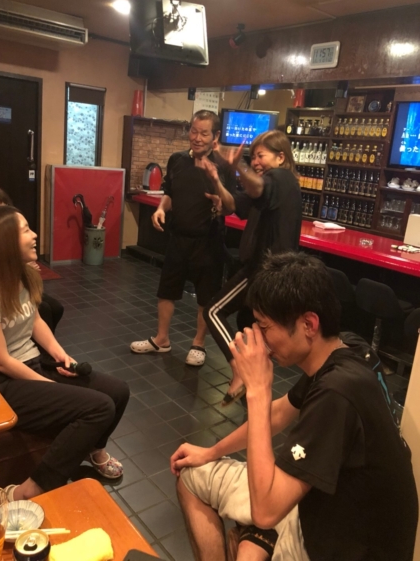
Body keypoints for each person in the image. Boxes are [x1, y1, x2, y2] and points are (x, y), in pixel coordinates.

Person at [170, 252, 418, 561]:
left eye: (264, 327)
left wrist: (257, 389)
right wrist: (210, 452)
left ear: (308, 324)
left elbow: (265, 512)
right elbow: (278, 413)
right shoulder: (347, 347)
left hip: (337, 547)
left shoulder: (337, 392)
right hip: (322, 509)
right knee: (192, 474)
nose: (260, 338)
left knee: (253, 525)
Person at [0, 206, 130, 500]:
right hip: (1, 382)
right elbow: (0, 360)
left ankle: (93, 449)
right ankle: (26, 491)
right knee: (99, 407)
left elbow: (35, 320)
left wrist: (61, 355)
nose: (35, 235)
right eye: (25, 230)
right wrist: (47, 385)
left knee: (118, 391)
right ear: (4, 243)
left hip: (32, 363)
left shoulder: (24, 275)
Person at [202, 130, 302, 405]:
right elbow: (233, 205)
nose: (256, 161)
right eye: (253, 156)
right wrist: (216, 180)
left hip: (265, 270)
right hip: (269, 270)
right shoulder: (267, 187)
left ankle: (239, 370)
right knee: (249, 328)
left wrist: (239, 165)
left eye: (260, 156)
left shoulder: (281, 178)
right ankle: (256, 391)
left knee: (214, 311)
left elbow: (256, 187)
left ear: (281, 157)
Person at [130, 110, 235, 366]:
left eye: (204, 133)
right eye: (194, 131)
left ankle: (198, 344)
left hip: (208, 241)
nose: (197, 138)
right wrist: (160, 209)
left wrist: (219, 198)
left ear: (215, 136)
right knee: (166, 291)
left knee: (205, 297)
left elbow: (232, 206)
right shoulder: (177, 159)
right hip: (178, 238)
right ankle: (161, 339)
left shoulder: (223, 165)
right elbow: (169, 193)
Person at [0, 185, 64, 336]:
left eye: (4, 207)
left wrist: (26, 268)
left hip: (14, 286)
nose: (2, 214)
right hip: (0, 293)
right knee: (44, 310)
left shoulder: (13, 236)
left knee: (55, 307)